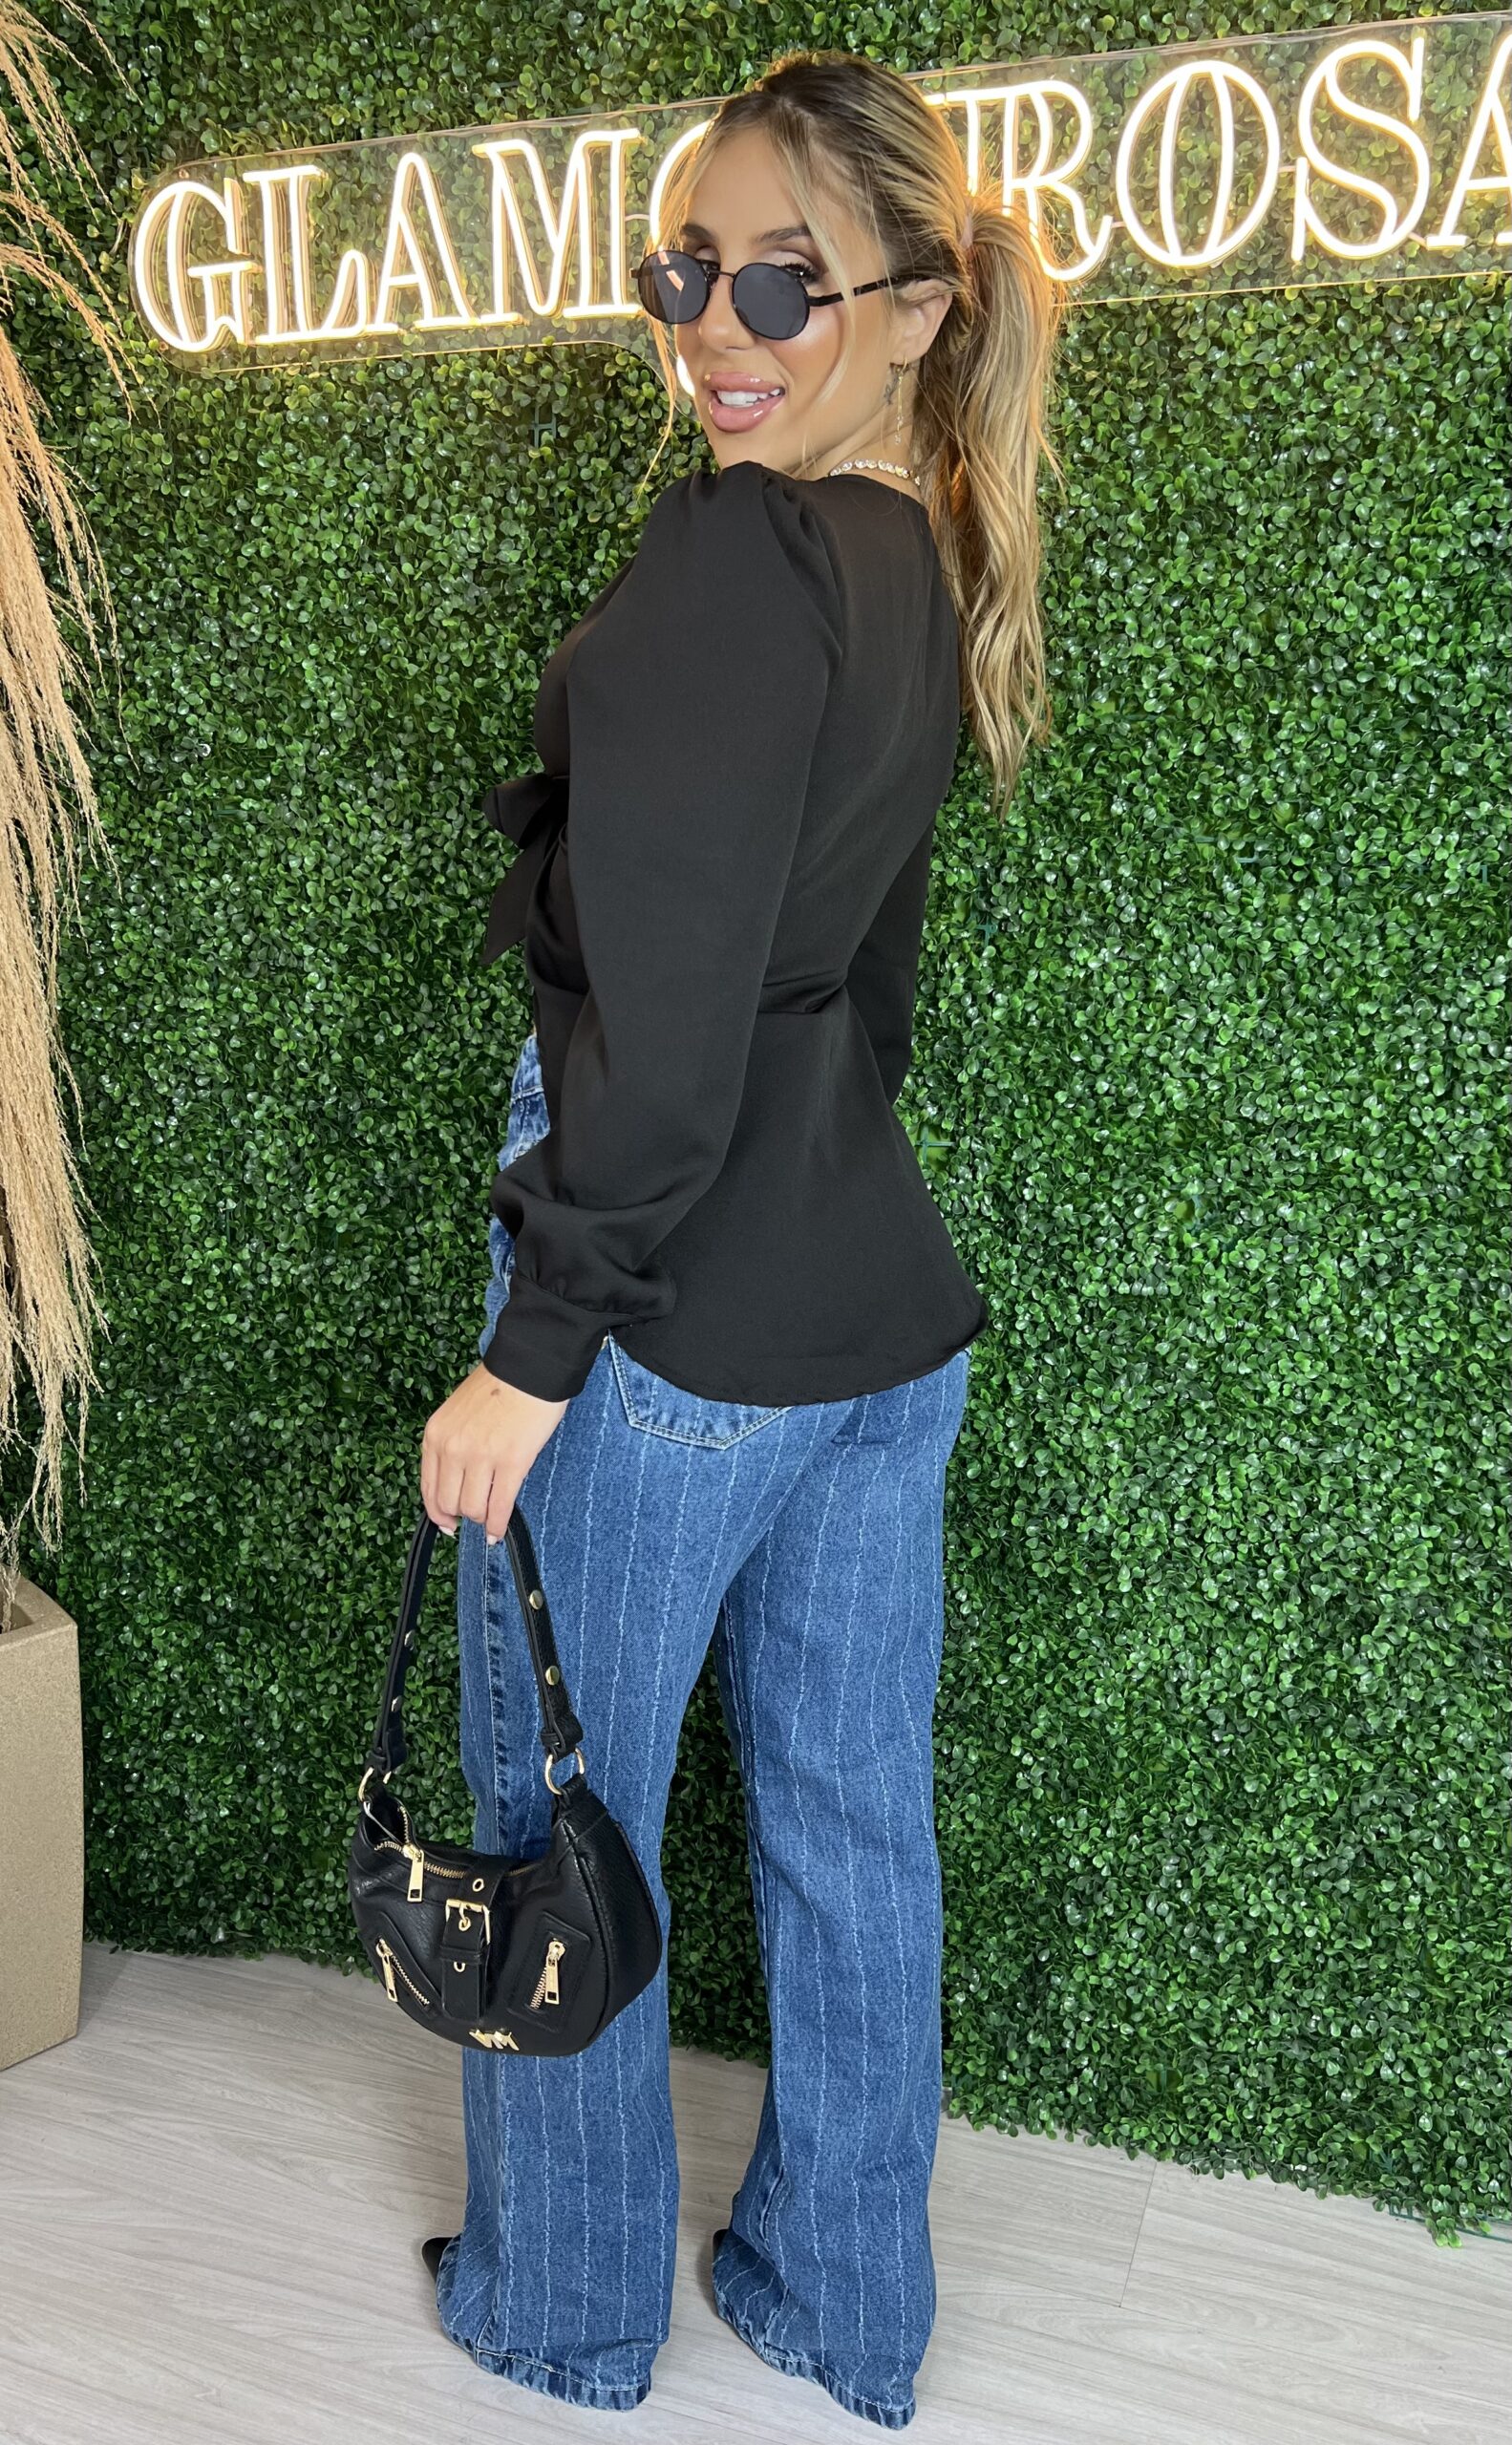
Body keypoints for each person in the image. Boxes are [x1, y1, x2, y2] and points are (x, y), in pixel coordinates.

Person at [416, 44, 1060, 2430]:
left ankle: (566, 2310)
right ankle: (840, 2306)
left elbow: (672, 1035)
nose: (715, 324)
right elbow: (863, 995)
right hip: (878, 1316)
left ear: (915, 301)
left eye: (781, 279)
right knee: (855, 1831)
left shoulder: (735, 555)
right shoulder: (920, 562)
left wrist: (535, 1346)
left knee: (550, 1810)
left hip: (671, 1317)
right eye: (680, 270)